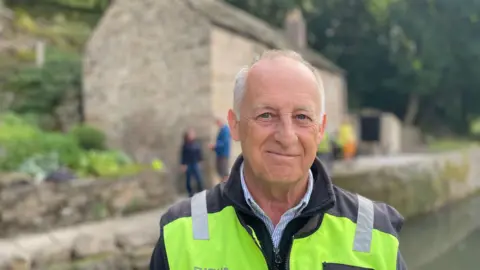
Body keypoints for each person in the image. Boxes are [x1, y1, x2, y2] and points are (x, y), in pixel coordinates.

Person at [150, 50, 407, 270]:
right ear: (235, 125)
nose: (286, 136)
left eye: (302, 117)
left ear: (320, 130)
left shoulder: (376, 230)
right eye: (266, 115)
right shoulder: (179, 231)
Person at [180, 128, 204, 197]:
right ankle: (190, 193)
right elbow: (183, 155)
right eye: (191, 134)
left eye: (193, 134)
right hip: (188, 164)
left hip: (195, 163)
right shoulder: (185, 145)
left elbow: (199, 154)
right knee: (188, 180)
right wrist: (183, 164)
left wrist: (200, 161)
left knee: (199, 178)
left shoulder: (196, 144)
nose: (192, 135)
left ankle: (201, 192)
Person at [209, 117, 231, 182]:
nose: (217, 125)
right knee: (220, 171)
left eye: (217, 123)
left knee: (224, 172)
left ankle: (226, 188)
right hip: (220, 154)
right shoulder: (222, 130)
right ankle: (223, 188)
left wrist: (214, 146)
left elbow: (224, 142)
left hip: (223, 154)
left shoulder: (225, 130)